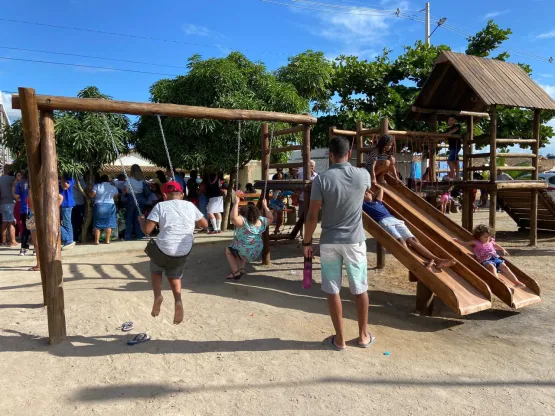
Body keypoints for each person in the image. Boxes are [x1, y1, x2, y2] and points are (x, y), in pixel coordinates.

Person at [303, 136, 373, 351]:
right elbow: (367, 194)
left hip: (329, 242)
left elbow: (313, 214)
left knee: (333, 290)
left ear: (330, 155)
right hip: (355, 241)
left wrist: (307, 242)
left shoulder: (321, 180)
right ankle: (362, 336)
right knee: (360, 288)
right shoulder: (363, 174)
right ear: (349, 155)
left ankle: (340, 339)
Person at [138, 181, 208, 325]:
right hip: (184, 250)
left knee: (156, 269)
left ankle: (158, 296)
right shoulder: (190, 205)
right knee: (175, 274)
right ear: (182, 194)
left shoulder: (160, 206)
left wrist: (141, 221)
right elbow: (204, 224)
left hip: (164, 248)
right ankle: (178, 300)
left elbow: (147, 230)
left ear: (164, 195)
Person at [363, 185, 455, 269]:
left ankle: (438, 260)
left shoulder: (378, 202)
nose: (368, 193)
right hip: (384, 222)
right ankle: (416, 262)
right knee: (401, 241)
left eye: (368, 192)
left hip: (394, 220)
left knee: (414, 240)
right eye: (365, 193)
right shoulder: (364, 205)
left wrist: (373, 184)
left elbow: (381, 190)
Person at [454, 224, 525, 288]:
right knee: (492, 267)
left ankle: (517, 282)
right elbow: (464, 243)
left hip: (494, 257)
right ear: (478, 237)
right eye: (485, 237)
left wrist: (502, 249)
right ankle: (497, 281)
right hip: (485, 260)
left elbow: (495, 245)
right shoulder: (476, 242)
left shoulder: (490, 240)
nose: (487, 238)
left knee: (505, 267)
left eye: (488, 236)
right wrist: (458, 241)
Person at [225, 198, 273, 280]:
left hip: (245, 250)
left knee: (229, 250)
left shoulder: (243, 222)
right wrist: (265, 207)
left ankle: (235, 272)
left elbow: (233, 218)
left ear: (243, 214)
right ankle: (241, 269)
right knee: (240, 250)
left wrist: (236, 204)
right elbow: (271, 218)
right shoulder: (261, 221)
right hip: (256, 251)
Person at [88, 175, 119, 245]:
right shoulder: (113, 187)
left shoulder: (97, 186)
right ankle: (107, 240)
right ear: (108, 180)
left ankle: (96, 241)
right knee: (109, 224)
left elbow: (91, 195)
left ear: (100, 180)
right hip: (110, 206)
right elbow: (116, 198)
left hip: (99, 205)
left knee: (97, 224)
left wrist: (89, 191)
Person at [124, 164, 149, 240]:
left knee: (129, 217)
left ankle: (128, 236)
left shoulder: (129, 179)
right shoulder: (142, 180)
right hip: (141, 198)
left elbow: (127, 191)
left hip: (132, 197)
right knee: (139, 217)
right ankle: (139, 235)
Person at [297, 160, 318, 238]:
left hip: (312, 199)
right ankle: (301, 233)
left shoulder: (316, 176)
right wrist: (297, 197)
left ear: (314, 167)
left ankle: (309, 234)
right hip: (302, 198)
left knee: (311, 217)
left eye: (312, 165)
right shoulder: (301, 175)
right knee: (301, 217)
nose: (311, 167)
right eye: (310, 165)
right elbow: (298, 187)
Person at [14, 171, 31, 256]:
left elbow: (16, 196)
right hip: (33, 209)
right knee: (34, 229)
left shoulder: (20, 183)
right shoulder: (34, 182)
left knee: (25, 229)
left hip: (24, 208)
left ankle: (24, 248)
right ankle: (36, 248)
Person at [0, 165, 17, 247]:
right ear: (10, 170)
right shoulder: (12, 179)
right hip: (10, 202)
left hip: (2, 203)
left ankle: (3, 241)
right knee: (11, 222)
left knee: (4, 222)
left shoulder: (0, 179)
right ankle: (13, 241)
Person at [59, 174, 76, 250]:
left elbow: (65, 186)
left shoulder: (70, 178)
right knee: (65, 223)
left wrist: (62, 175)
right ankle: (68, 240)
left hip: (66, 203)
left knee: (66, 223)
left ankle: (69, 240)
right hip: (60, 203)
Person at [72, 177, 86, 243]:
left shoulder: (81, 180)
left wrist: (78, 187)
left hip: (80, 203)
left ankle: (79, 236)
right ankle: (75, 237)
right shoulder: (70, 179)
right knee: (74, 222)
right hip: (73, 203)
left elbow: (84, 189)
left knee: (80, 221)